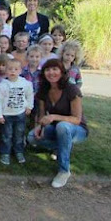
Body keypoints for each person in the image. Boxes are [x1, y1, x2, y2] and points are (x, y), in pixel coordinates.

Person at [27, 59, 88, 188]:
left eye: (55, 69)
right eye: (48, 70)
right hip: (56, 128)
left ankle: (64, 170)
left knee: (62, 126)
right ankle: (63, 145)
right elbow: (42, 115)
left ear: (61, 71)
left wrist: (54, 116)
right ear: (43, 73)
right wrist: (40, 127)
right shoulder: (43, 90)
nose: (51, 73)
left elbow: (77, 119)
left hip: (77, 129)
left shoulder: (72, 89)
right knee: (31, 137)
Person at [0, 59, 34, 165]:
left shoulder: (25, 83)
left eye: (16, 69)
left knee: (19, 134)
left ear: (20, 71)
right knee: (6, 135)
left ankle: (19, 151)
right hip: (7, 115)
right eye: (10, 69)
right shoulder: (3, 85)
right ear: (6, 71)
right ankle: (5, 153)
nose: (13, 71)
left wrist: (29, 107)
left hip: (20, 114)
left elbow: (30, 95)